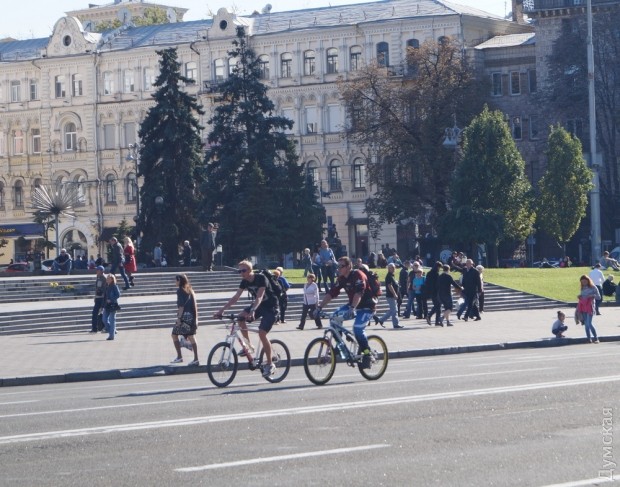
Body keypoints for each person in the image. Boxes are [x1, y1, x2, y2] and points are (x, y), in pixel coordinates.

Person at [214, 260, 279, 377]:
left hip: (271, 307)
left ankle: (270, 364)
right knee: (240, 318)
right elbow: (236, 297)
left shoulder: (261, 278)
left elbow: (259, 297)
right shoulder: (244, 281)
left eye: (243, 271)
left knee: (262, 333)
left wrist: (252, 311)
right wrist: (222, 310)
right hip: (259, 307)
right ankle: (248, 346)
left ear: (250, 270)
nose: (241, 273)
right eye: (239, 271)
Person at [315, 256, 377, 368]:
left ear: (349, 267)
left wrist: (352, 308)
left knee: (357, 329)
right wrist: (319, 307)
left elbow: (358, 293)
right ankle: (340, 347)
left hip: (367, 307)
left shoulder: (358, 275)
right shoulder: (342, 278)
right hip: (353, 306)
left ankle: (368, 354)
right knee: (334, 318)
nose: (338, 268)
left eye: (341, 266)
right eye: (338, 266)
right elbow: (331, 293)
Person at [170, 274, 200, 366]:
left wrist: (179, 319)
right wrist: (196, 319)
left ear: (179, 280)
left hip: (185, 317)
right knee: (191, 336)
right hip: (192, 317)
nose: (175, 282)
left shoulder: (180, 291)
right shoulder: (190, 289)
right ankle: (196, 359)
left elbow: (181, 306)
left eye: (176, 280)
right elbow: (195, 305)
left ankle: (179, 357)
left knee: (174, 334)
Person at [378, 263, 403, 328]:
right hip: (390, 296)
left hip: (392, 296)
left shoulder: (392, 276)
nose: (394, 269)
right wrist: (394, 294)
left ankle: (381, 320)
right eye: (392, 268)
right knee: (394, 310)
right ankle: (395, 324)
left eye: (394, 267)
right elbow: (389, 286)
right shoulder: (389, 276)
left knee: (393, 310)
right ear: (389, 269)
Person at [577, 274, 600, 343]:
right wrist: (580, 297)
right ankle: (589, 338)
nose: (584, 283)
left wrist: (592, 295)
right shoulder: (582, 288)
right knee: (586, 325)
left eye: (585, 281)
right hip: (583, 307)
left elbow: (599, 297)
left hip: (590, 307)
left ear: (588, 281)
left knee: (589, 323)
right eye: (582, 282)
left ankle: (596, 338)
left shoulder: (593, 287)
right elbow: (582, 297)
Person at [102, 273, 121, 340]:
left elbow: (118, 295)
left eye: (109, 279)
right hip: (106, 305)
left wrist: (111, 299)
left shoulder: (114, 286)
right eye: (107, 278)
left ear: (112, 279)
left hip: (113, 305)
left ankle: (111, 336)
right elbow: (105, 296)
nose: (107, 280)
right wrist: (103, 305)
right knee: (104, 319)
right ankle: (113, 330)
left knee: (112, 320)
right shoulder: (106, 286)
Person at [425, 261, 443, 326]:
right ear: (438, 267)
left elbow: (426, 283)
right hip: (436, 292)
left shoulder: (429, 273)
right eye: (440, 267)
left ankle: (431, 317)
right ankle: (432, 318)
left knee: (437, 306)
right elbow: (437, 284)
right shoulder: (436, 274)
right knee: (438, 306)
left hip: (430, 292)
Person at [90, 265, 107, 333]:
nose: (96, 271)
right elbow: (97, 288)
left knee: (102, 313)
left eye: (98, 270)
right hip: (98, 298)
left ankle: (103, 327)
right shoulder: (98, 277)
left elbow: (105, 289)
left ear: (101, 271)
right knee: (95, 313)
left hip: (102, 298)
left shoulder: (104, 278)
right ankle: (94, 328)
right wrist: (95, 296)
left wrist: (104, 298)